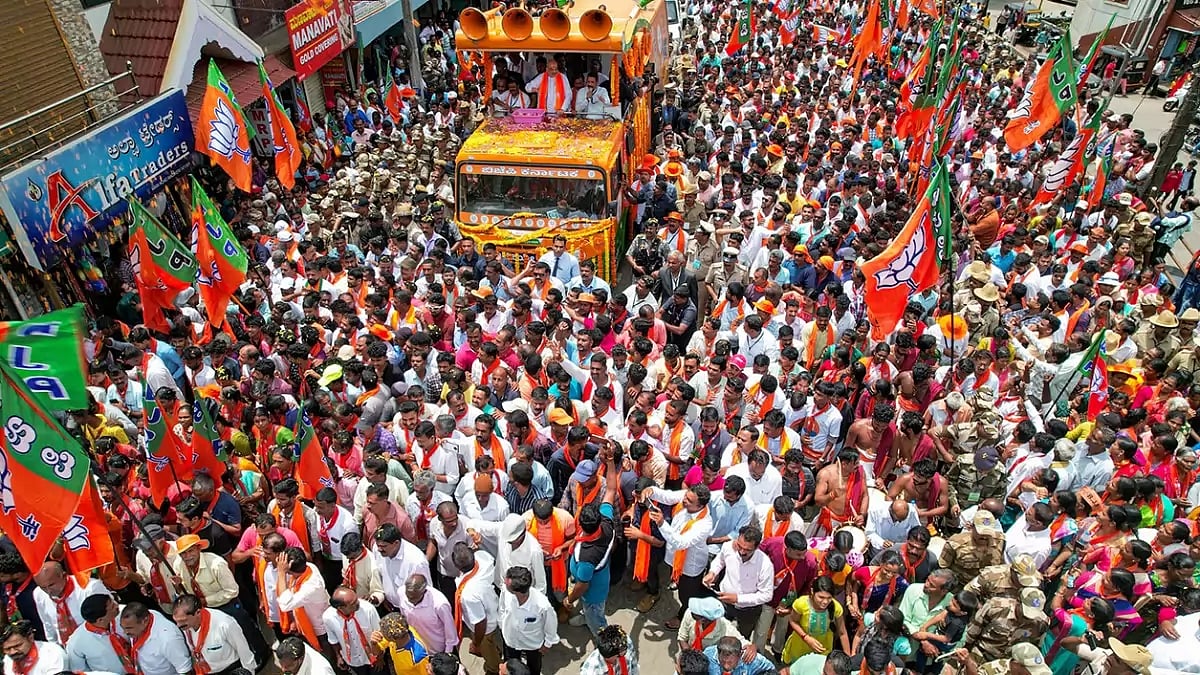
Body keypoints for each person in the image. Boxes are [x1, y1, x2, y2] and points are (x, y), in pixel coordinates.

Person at [172, 593, 258, 675]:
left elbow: (245, 652)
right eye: (176, 621)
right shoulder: (186, 627)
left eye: (182, 620)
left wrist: (249, 671)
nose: (178, 625)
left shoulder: (224, 623)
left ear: (197, 613)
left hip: (230, 670)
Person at [498, 566, 558, 675]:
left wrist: (547, 644)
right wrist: (502, 626)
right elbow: (502, 608)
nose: (504, 584)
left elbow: (551, 625)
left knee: (534, 669)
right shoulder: (505, 591)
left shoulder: (542, 605)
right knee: (511, 667)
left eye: (507, 584)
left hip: (533, 644)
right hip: (511, 640)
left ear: (517, 591)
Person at [118, 602, 193, 675]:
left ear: (144, 621)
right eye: (123, 627)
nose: (125, 632)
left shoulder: (168, 639)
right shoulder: (148, 614)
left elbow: (185, 670)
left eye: (129, 628)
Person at [0, 620, 66, 675]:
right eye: (7, 649)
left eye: (17, 646)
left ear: (31, 638)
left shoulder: (52, 654)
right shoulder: (7, 660)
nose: (13, 652)